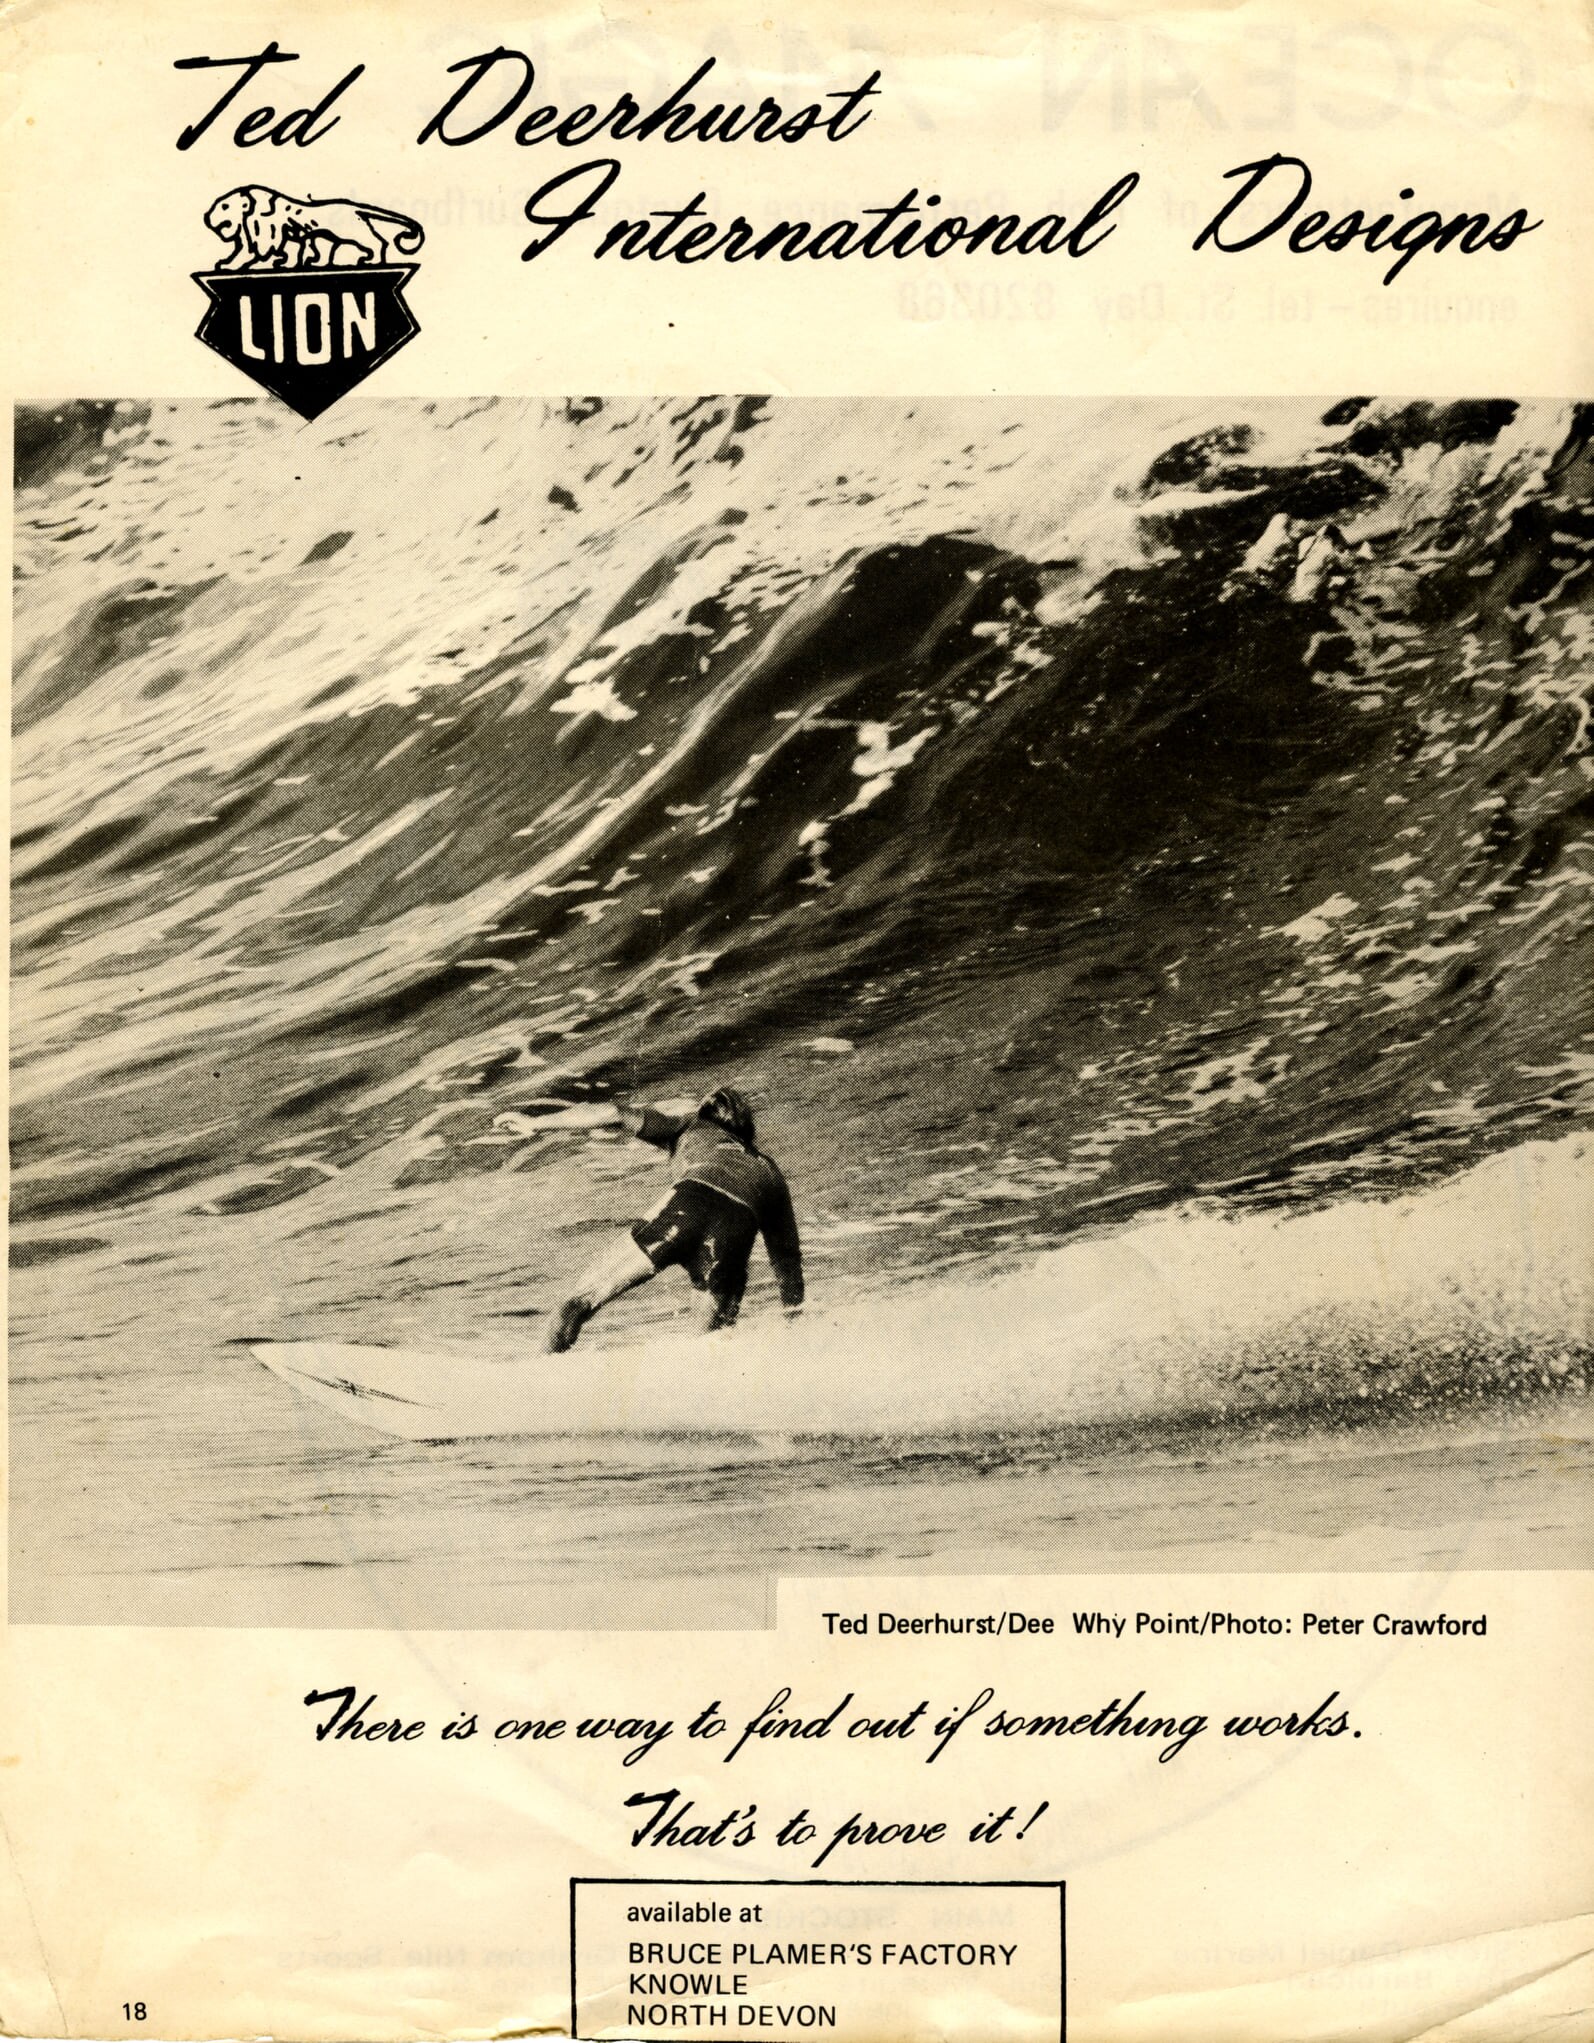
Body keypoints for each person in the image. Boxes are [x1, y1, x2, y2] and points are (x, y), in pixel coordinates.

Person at [495, 1085, 805, 1353]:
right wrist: (794, 1328)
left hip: (690, 1201)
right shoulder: (769, 1170)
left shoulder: (692, 1127)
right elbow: (787, 1261)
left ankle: (536, 1385)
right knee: (709, 1350)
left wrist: (536, 1123)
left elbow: (615, 1113)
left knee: (580, 1301)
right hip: (735, 1231)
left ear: (707, 1115)